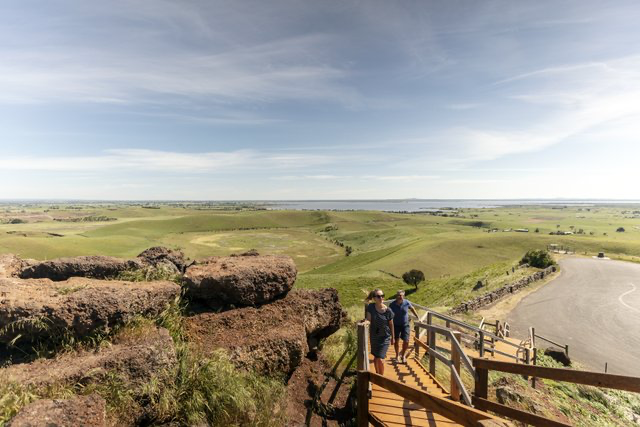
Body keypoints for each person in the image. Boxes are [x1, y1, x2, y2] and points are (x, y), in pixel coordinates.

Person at [365, 289, 394, 375]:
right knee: (375, 357)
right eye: (378, 296)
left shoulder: (388, 311)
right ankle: (377, 373)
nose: (381, 298)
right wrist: (365, 322)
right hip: (374, 336)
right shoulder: (371, 307)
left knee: (380, 358)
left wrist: (393, 337)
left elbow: (391, 324)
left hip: (385, 337)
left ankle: (381, 378)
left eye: (382, 295)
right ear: (374, 298)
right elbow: (369, 319)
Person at [389, 290, 420, 363]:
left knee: (406, 341)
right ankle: (397, 356)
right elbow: (388, 314)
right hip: (396, 325)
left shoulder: (407, 302)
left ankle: (403, 356)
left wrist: (417, 316)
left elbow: (412, 309)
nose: (400, 297)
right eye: (399, 295)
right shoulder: (392, 304)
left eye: (402, 295)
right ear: (396, 296)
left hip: (405, 325)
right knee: (396, 341)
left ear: (404, 296)